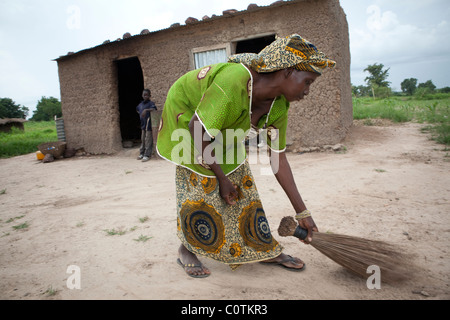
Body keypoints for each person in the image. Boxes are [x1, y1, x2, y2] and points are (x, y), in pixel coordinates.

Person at [156, 34, 335, 278]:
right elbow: (197, 129)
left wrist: (302, 212)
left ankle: (262, 247)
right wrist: (221, 178)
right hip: (188, 114)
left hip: (222, 123)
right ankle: (187, 249)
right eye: (307, 82)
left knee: (241, 182)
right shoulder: (235, 81)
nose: (307, 91)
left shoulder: (279, 107)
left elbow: (277, 158)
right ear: (287, 72)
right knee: (201, 179)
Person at [136, 89, 157, 162]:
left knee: (148, 140)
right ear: (142, 95)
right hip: (143, 125)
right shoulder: (140, 105)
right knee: (143, 140)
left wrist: (146, 110)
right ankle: (141, 153)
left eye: (147, 95)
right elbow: (138, 110)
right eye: (144, 95)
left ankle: (147, 155)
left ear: (150, 96)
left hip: (149, 126)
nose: (145, 96)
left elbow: (154, 110)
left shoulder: (151, 104)